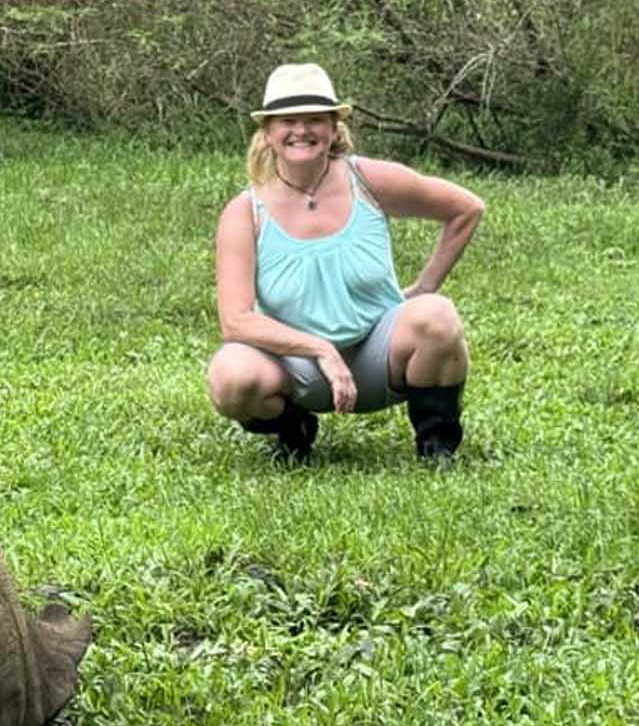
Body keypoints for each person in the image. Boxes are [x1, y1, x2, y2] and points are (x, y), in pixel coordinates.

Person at [206, 63, 484, 464]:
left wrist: (424, 288)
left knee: (437, 315)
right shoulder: (244, 212)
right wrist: (319, 349)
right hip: (298, 367)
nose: (301, 130)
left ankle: (436, 446)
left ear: (335, 127)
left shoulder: (369, 181)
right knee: (230, 376)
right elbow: (236, 321)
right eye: (288, 121)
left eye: (315, 119)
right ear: (267, 132)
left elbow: (466, 209)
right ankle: (294, 430)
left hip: (381, 357)